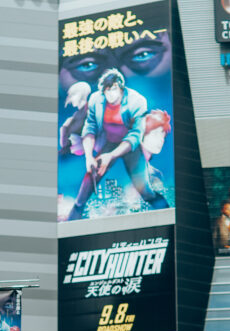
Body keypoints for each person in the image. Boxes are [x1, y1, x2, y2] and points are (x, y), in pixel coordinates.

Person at [68, 69, 169, 220]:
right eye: (106, 91)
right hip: (109, 143)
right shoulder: (96, 99)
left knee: (146, 192)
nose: (109, 94)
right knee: (84, 190)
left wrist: (112, 155)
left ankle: (168, 217)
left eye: (113, 89)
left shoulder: (137, 101)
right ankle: (71, 224)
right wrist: (88, 157)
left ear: (120, 87)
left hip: (130, 147)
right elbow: (90, 127)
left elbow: (135, 135)